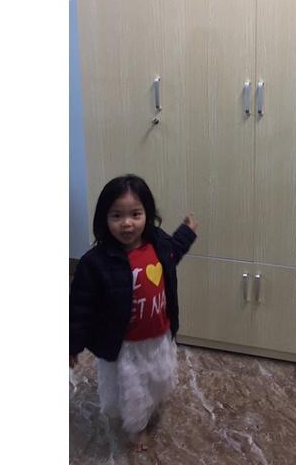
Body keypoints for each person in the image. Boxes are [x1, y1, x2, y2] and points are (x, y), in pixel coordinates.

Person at [69, 174, 199, 451]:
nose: (127, 223)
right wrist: (72, 344)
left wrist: (186, 232)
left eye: (135, 214)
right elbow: (79, 306)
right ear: (104, 219)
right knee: (133, 390)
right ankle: (136, 428)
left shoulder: (158, 243)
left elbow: (173, 253)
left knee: (159, 375)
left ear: (147, 214)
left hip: (159, 335)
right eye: (117, 216)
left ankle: (150, 404)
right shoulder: (95, 262)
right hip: (124, 345)